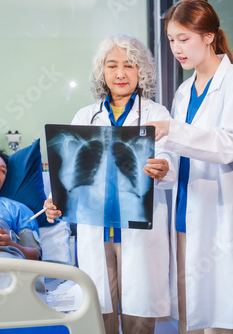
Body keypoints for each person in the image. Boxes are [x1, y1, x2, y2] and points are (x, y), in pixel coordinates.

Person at [44, 33, 176, 334]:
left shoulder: (157, 114)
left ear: (140, 71)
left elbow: (171, 166)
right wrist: (55, 201)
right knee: (97, 311)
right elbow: (70, 172)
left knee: (139, 317)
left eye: (129, 65)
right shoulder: (85, 116)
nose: (120, 73)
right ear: (101, 71)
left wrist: (163, 168)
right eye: (112, 65)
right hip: (96, 228)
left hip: (139, 230)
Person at [145, 1, 233, 333]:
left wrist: (171, 129)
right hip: (185, 221)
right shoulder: (183, 92)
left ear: (209, 36)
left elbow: (231, 145)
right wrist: (162, 169)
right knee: (192, 318)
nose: (176, 49)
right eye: (171, 40)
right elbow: (179, 157)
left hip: (221, 220)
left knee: (226, 317)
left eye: (184, 39)